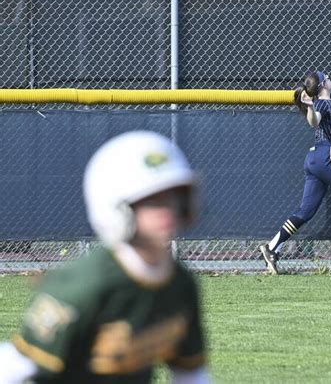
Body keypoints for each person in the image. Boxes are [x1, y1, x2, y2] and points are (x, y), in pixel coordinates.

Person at [0, 131, 211, 383]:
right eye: (151, 201)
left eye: (174, 198)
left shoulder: (180, 283)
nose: (167, 210)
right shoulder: (84, 286)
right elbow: (17, 365)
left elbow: (189, 372)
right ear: (114, 206)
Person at [260, 48, 331, 275]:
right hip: (325, 156)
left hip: (316, 160)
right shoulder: (321, 105)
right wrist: (310, 108)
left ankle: (272, 247)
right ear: (323, 84)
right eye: (328, 78)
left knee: (305, 212)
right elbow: (314, 123)